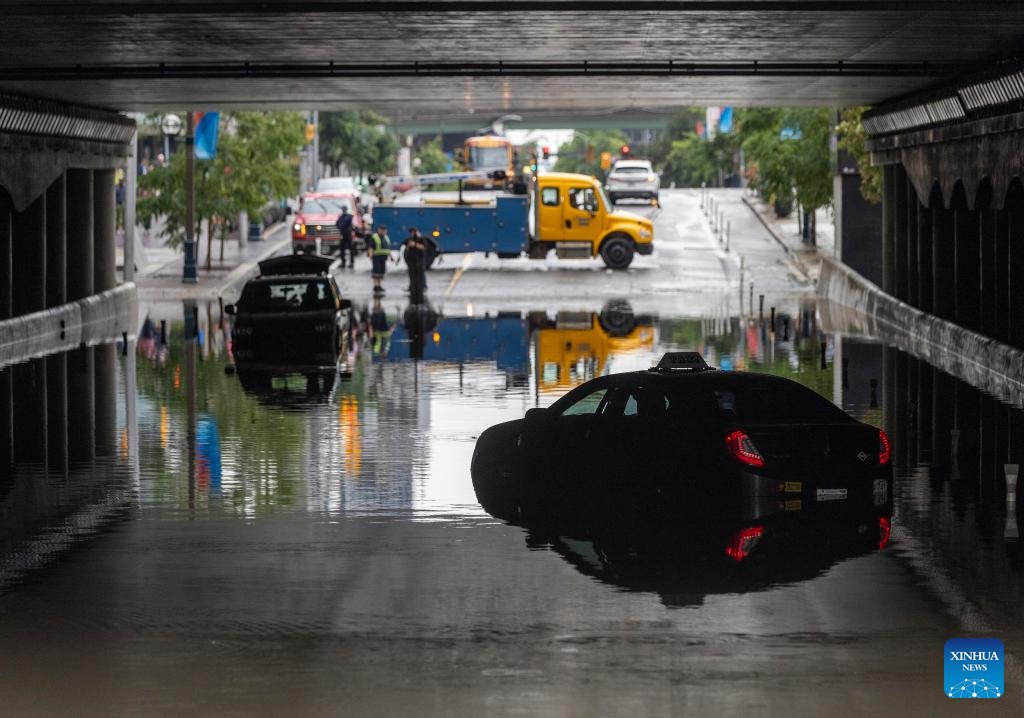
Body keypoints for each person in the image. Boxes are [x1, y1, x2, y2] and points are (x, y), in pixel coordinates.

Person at [402, 227, 429, 299]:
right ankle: (412, 287)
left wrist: (415, 245)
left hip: (419, 260)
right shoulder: (410, 239)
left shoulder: (421, 239)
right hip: (411, 261)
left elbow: (423, 247)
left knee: (420, 274)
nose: (412, 233)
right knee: (412, 275)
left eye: (413, 232)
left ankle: (422, 286)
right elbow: (405, 245)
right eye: (411, 232)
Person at [367, 224, 392, 295]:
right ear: (379, 230)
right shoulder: (374, 237)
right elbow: (370, 247)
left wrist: (391, 256)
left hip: (383, 257)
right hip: (376, 257)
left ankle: (379, 285)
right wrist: (371, 255)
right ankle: (376, 286)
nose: (384, 231)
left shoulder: (386, 237)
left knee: (381, 271)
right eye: (382, 229)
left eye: (384, 230)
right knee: (376, 272)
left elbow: (387, 248)